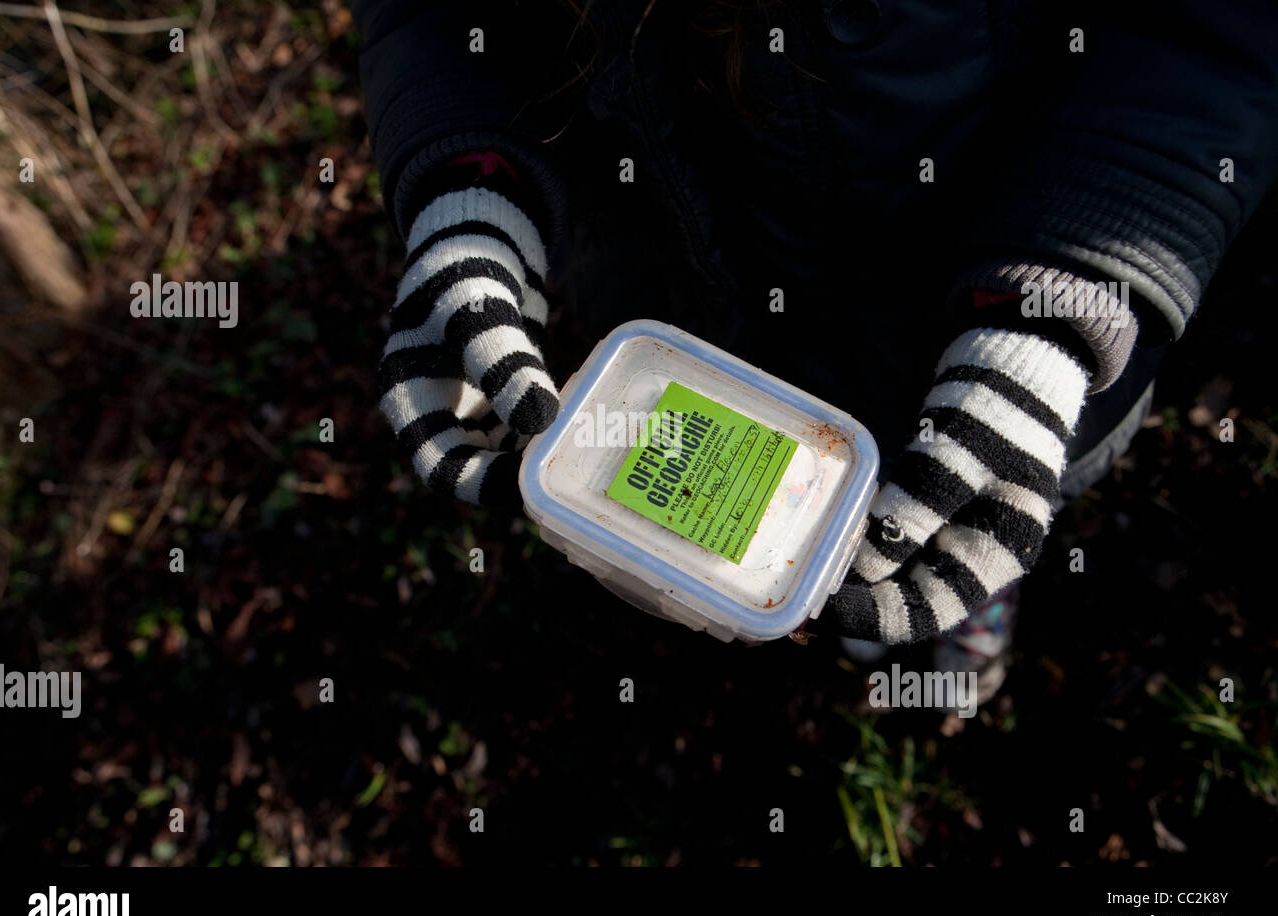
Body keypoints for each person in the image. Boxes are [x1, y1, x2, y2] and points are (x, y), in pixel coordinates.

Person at [353, 0, 1278, 694]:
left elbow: (1211, 34)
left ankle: (970, 603)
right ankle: (832, 599)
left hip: (966, 292)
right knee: (787, 531)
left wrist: (1052, 304)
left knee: (955, 500)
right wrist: (471, 184)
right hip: (678, 303)